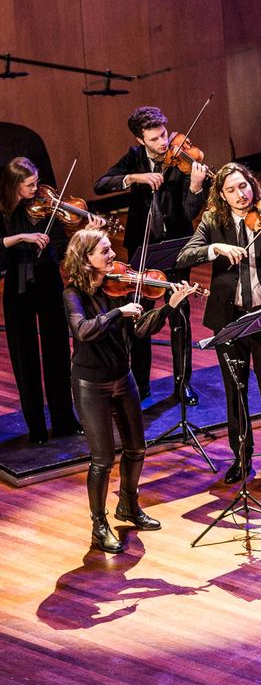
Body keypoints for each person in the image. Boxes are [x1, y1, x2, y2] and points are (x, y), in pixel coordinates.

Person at [62, 228, 200, 552]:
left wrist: (169, 306)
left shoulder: (119, 287)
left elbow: (140, 329)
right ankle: (99, 525)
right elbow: (82, 331)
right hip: (90, 384)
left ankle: (128, 505)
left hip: (123, 377)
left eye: (111, 249)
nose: (113, 255)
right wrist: (116, 313)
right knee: (102, 460)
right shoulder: (73, 294)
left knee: (137, 448)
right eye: (105, 251)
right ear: (86, 259)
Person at [176, 163, 261, 484]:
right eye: (232, 190)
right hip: (229, 320)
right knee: (235, 392)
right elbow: (184, 256)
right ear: (222, 195)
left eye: (244, 186)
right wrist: (215, 248)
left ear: (252, 185)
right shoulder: (213, 221)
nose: (241, 194)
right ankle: (241, 457)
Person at [94, 106, 211, 405]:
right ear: (140, 139)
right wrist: (136, 178)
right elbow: (100, 184)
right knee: (140, 317)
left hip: (176, 248)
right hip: (142, 248)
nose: (163, 143)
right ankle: (141, 384)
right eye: (154, 139)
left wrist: (195, 188)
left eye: (164, 135)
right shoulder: (134, 157)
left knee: (180, 316)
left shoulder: (183, 161)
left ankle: (183, 383)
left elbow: (189, 213)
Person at [1, 157, 88, 443]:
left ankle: (64, 420)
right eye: (29, 185)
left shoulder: (46, 204)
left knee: (57, 350)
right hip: (18, 286)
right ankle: (36, 428)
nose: (36, 189)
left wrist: (85, 225)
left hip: (48, 279)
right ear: (14, 185)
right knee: (24, 356)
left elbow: (62, 243)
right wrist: (21, 237)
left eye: (36, 183)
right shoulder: (3, 211)